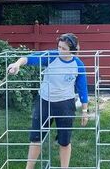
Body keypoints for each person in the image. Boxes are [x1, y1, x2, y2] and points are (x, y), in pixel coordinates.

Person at [7, 33, 89, 169]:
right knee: (36, 137)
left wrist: (85, 111)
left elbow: (83, 89)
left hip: (66, 105)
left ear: (73, 50)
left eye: (64, 48)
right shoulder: (51, 56)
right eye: (59, 47)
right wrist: (17, 65)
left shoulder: (78, 65)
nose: (60, 50)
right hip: (44, 102)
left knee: (64, 141)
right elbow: (28, 59)